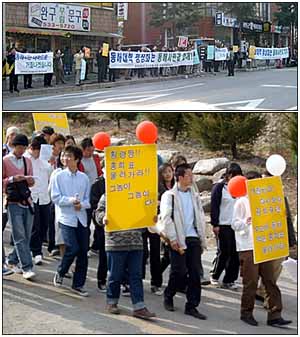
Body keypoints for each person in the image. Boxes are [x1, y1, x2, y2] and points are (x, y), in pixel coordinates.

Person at [232, 171, 292, 327]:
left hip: (264, 245)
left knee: (270, 281)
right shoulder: (241, 202)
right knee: (250, 282)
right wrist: (246, 222)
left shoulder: (265, 201)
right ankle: (246, 313)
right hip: (249, 247)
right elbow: (234, 224)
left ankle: (275, 314)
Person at [95, 193, 156, 319]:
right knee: (115, 275)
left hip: (136, 241)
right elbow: (98, 213)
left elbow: (146, 213)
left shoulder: (138, 194)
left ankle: (139, 307)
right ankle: (112, 302)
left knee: (136, 276)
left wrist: (151, 218)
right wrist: (103, 218)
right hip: (115, 241)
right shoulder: (109, 193)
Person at [160, 164, 207, 320]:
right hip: (178, 237)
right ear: (180, 177)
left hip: (193, 237)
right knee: (178, 271)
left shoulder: (194, 194)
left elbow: (199, 216)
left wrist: (202, 238)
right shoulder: (170, 196)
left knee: (194, 273)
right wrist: (172, 238)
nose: (191, 178)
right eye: (188, 175)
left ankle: (192, 305)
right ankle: (169, 295)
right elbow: (166, 218)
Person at [52, 145, 91, 296]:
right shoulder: (59, 176)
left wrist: (82, 205)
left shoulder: (84, 178)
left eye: (68, 156)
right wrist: (70, 200)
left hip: (81, 218)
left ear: (77, 159)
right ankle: (61, 271)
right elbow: (55, 198)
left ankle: (78, 284)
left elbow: (88, 200)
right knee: (72, 248)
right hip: (66, 218)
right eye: (63, 155)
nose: (65, 158)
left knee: (83, 252)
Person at [3, 134, 36, 280]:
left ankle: (13, 259)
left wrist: (28, 180)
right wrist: (12, 179)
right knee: (19, 235)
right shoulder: (4, 161)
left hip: (27, 200)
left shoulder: (27, 161)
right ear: (14, 146)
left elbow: (32, 182)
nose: (22, 150)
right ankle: (27, 267)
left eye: (24, 147)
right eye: (19, 147)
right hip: (12, 202)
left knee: (26, 235)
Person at [210, 162, 242, 289]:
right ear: (228, 175)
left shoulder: (241, 188)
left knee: (235, 254)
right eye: (234, 176)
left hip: (236, 225)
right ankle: (215, 275)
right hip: (223, 224)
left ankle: (229, 279)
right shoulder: (220, 187)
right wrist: (215, 223)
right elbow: (214, 206)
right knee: (224, 252)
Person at [24, 136, 52, 265]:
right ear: (32, 149)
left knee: (44, 225)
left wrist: (50, 163)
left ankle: (36, 248)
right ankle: (36, 251)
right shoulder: (26, 159)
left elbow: (49, 176)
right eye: (38, 150)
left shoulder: (45, 160)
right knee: (35, 226)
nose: (40, 153)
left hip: (44, 197)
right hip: (31, 196)